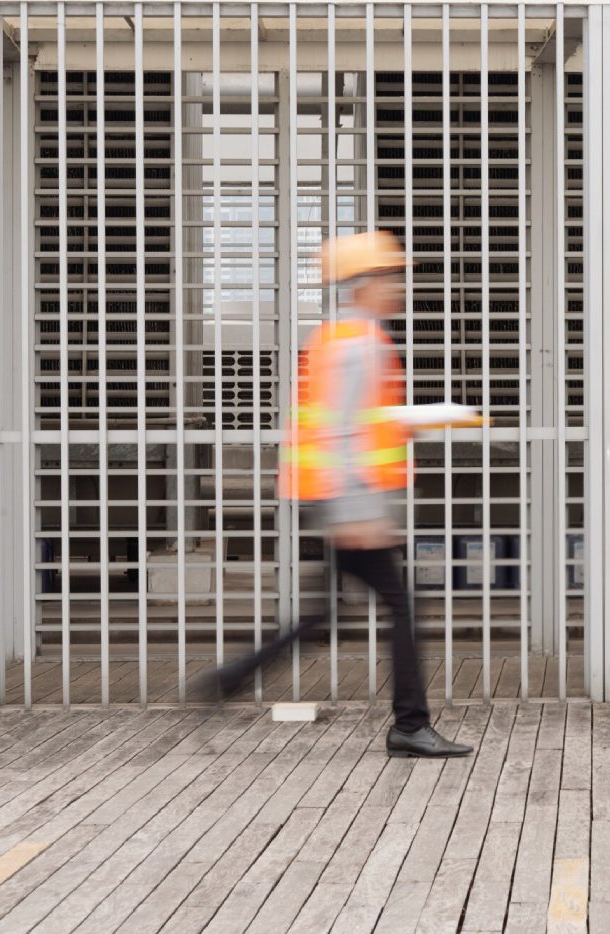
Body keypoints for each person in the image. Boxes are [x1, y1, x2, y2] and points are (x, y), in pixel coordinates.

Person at [196, 230, 471, 760]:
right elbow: (341, 432)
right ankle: (410, 725)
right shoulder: (358, 345)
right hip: (349, 506)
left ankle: (232, 678)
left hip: (338, 501)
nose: (399, 287)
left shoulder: (342, 337)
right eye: (391, 277)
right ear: (363, 283)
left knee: (325, 615)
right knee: (402, 606)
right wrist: (359, 513)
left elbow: (357, 424)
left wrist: (407, 424)